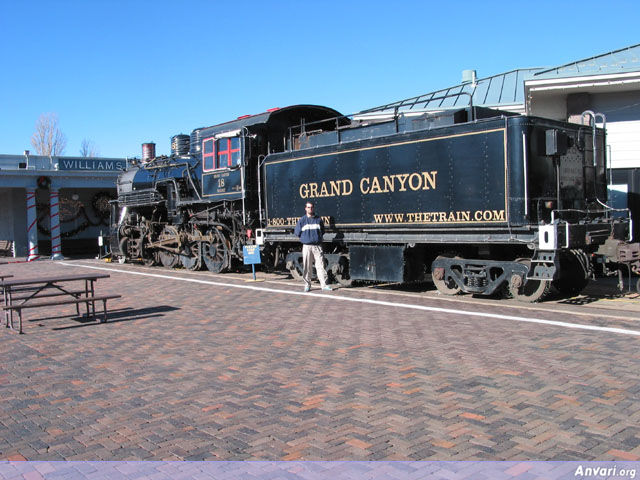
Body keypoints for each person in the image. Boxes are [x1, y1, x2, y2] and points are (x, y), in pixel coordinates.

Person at [294, 201, 332, 292]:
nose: (310, 209)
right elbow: (297, 233)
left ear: (313, 208)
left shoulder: (318, 220)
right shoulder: (302, 220)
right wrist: (306, 238)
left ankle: (324, 285)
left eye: (311, 207)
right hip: (307, 246)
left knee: (321, 266)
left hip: (317, 246)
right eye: (308, 207)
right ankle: (307, 285)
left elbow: (322, 231)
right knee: (307, 267)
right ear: (305, 208)